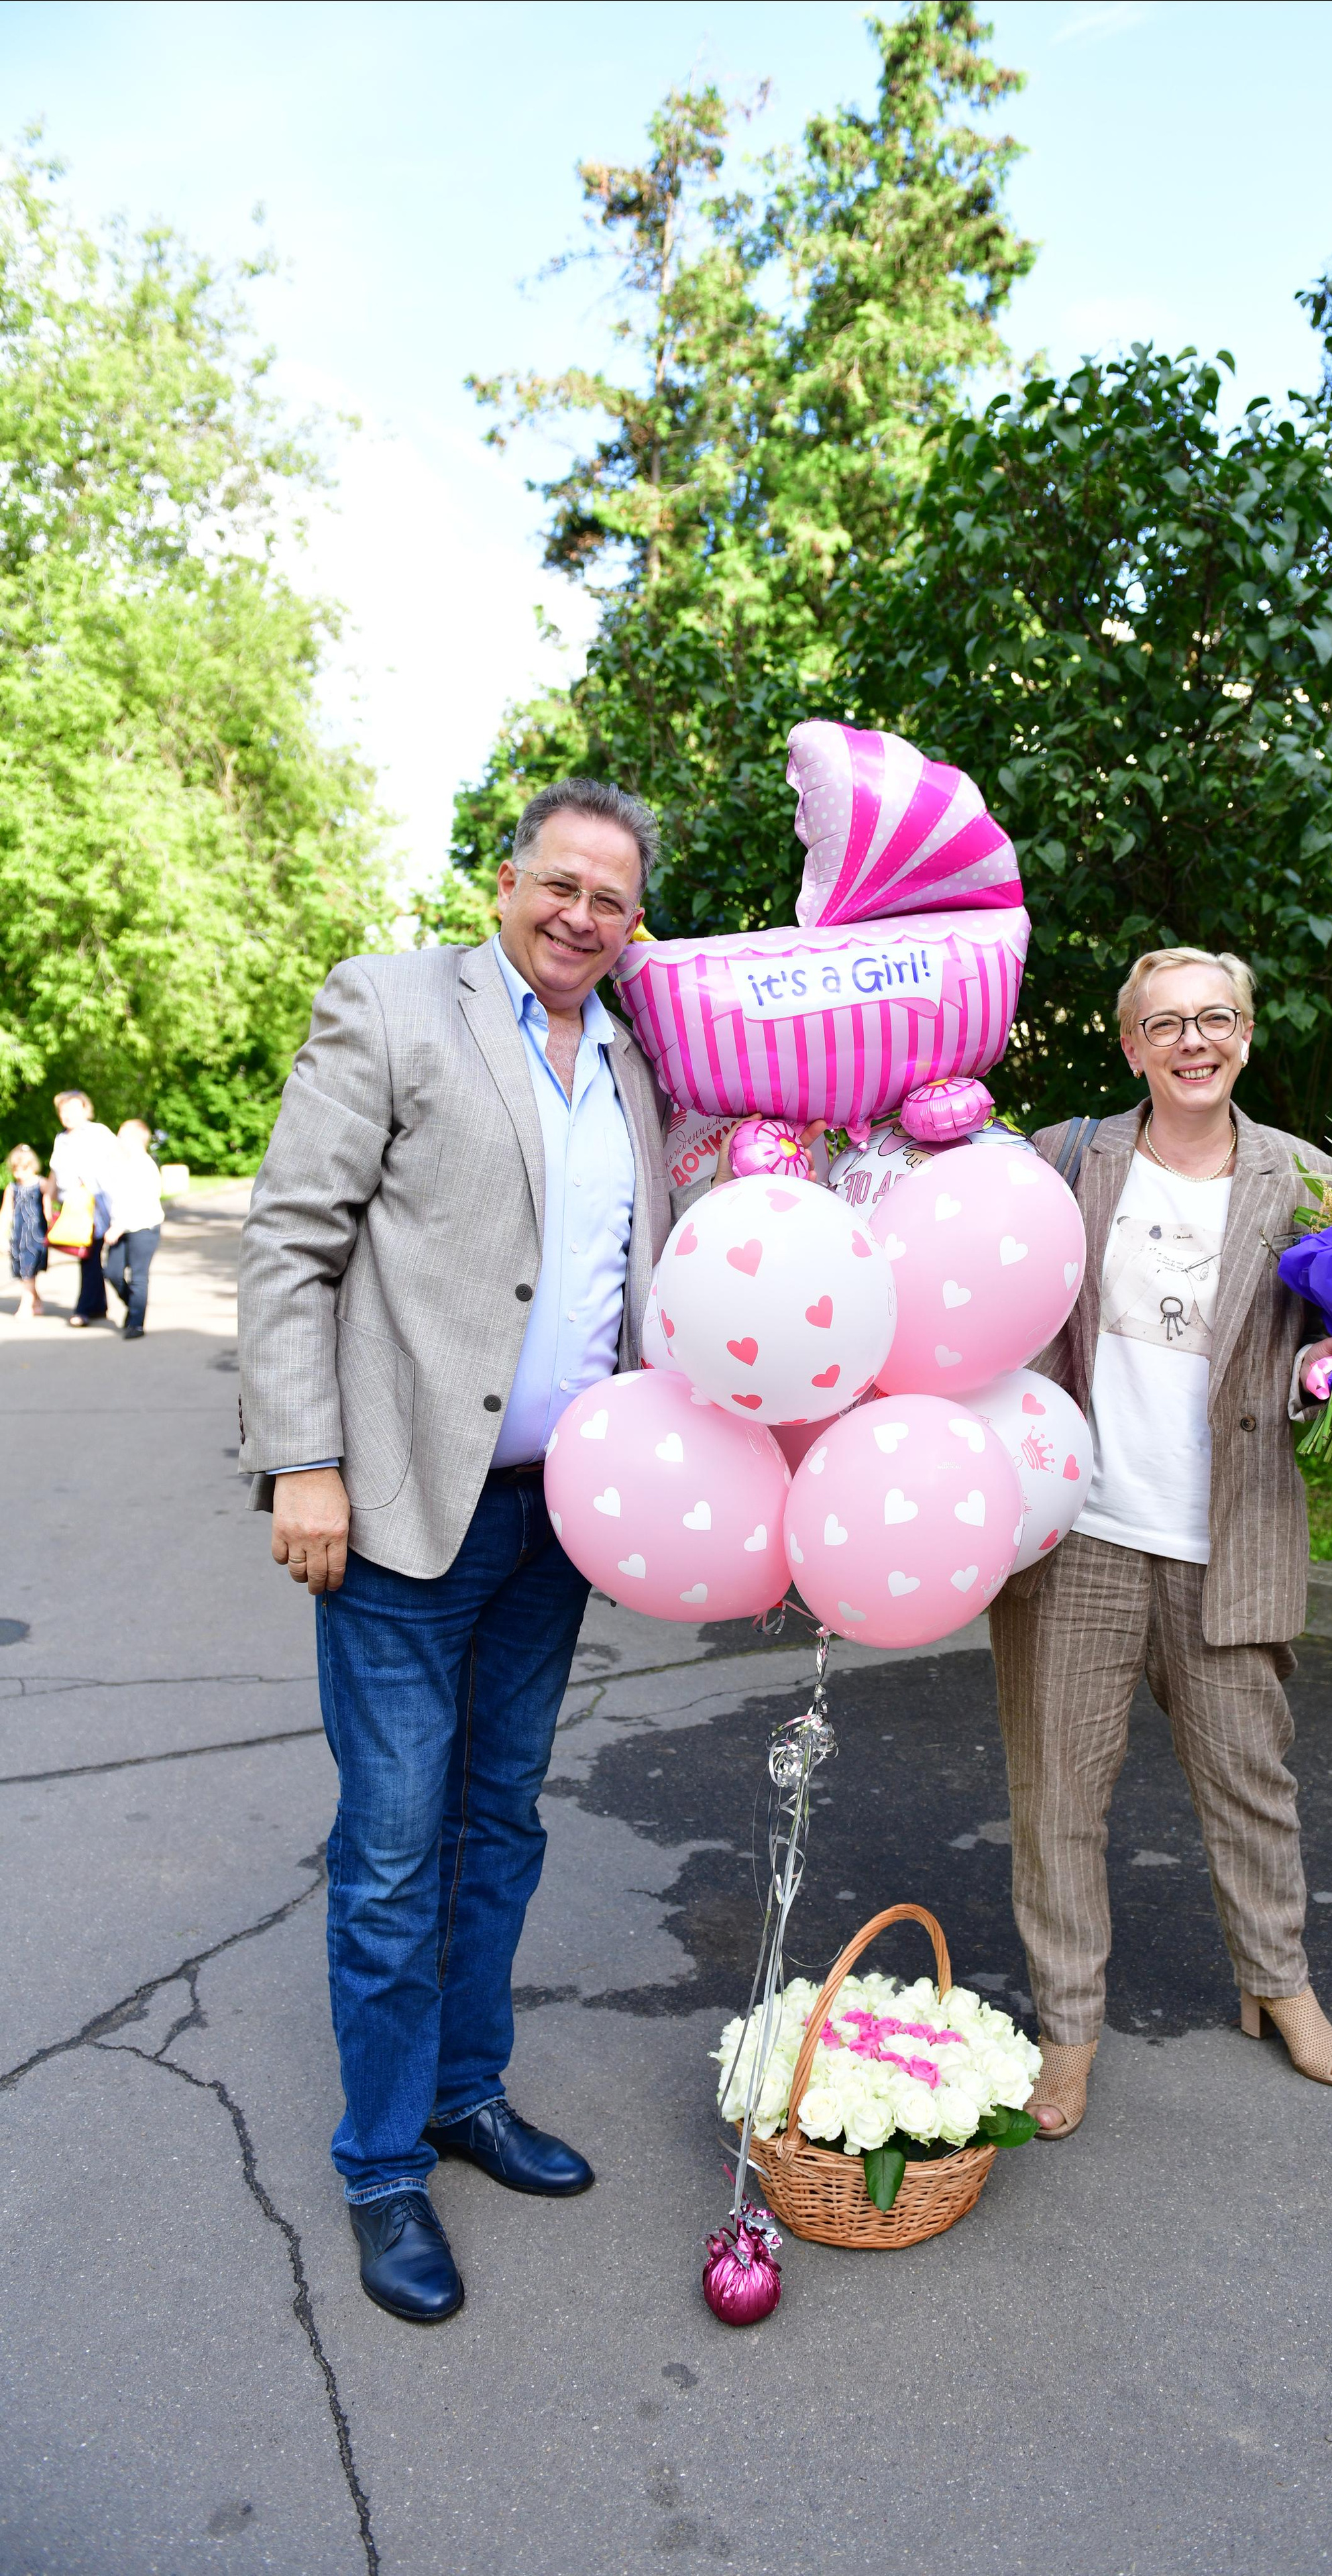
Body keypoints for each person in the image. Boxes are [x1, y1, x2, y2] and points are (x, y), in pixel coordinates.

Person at [237, 777, 677, 2325]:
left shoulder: (635, 1061)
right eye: (559, 883)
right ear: (506, 880)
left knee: (501, 1827)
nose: (580, 915)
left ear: (632, 929)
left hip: (556, 1518)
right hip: (400, 1516)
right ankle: (378, 2164)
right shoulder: (392, 1003)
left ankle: (461, 2093)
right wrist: (302, 1458)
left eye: (610, 901)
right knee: (392, 1852)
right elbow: (291, 1243)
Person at [989, 947, 1332, 2140]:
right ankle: (1067, 2033)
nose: (1192, 1041)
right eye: (1164, 1024)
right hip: (1078, 1536)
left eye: (1214, 1019)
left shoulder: (1315, 1183)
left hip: (1234, 1536)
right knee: (1058, 1799)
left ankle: (1279, 1988)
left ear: (1247, 1034)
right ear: (1130, 1047)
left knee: (1251, 1786)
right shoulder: (1067, 1162)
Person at [48, 1091, 118, 1327]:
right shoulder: (61, 1139)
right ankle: (95, 1306)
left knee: (93, 1257)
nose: (67, 1115)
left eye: (73, 1110)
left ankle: (88, 1307)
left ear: (86, 1110)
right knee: (89, 1257)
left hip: (101, 1206)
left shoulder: (99, 1132)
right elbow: (56, 1175)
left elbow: (119, 1161)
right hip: (77, 1210)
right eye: (63, 1111)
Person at [102, 1120, 166, 1340]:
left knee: (139, 1276)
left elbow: (140, 1202)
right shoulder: (124, 1164)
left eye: (122, 1136)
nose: (118, 1141)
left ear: (136, 1138)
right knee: (112, 1272)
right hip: (120, 1228)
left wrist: (118, 1227)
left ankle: (136, 1324)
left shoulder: (144, 1165)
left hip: (143, 1228)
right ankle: (134, 1305)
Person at [4, 1143, 51, 1320]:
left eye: (23, 1169)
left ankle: (26, 1304)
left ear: (32, 1166)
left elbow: (50, 1203)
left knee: (29, 1268)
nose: (19, 1174)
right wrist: (3, 1236)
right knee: (23, 1270)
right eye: (15, 1170)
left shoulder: (41, 1184)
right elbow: (6, 1212)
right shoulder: (12, 1188)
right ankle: (36, 1300)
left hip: (36, 1236)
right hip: (18, 1236)